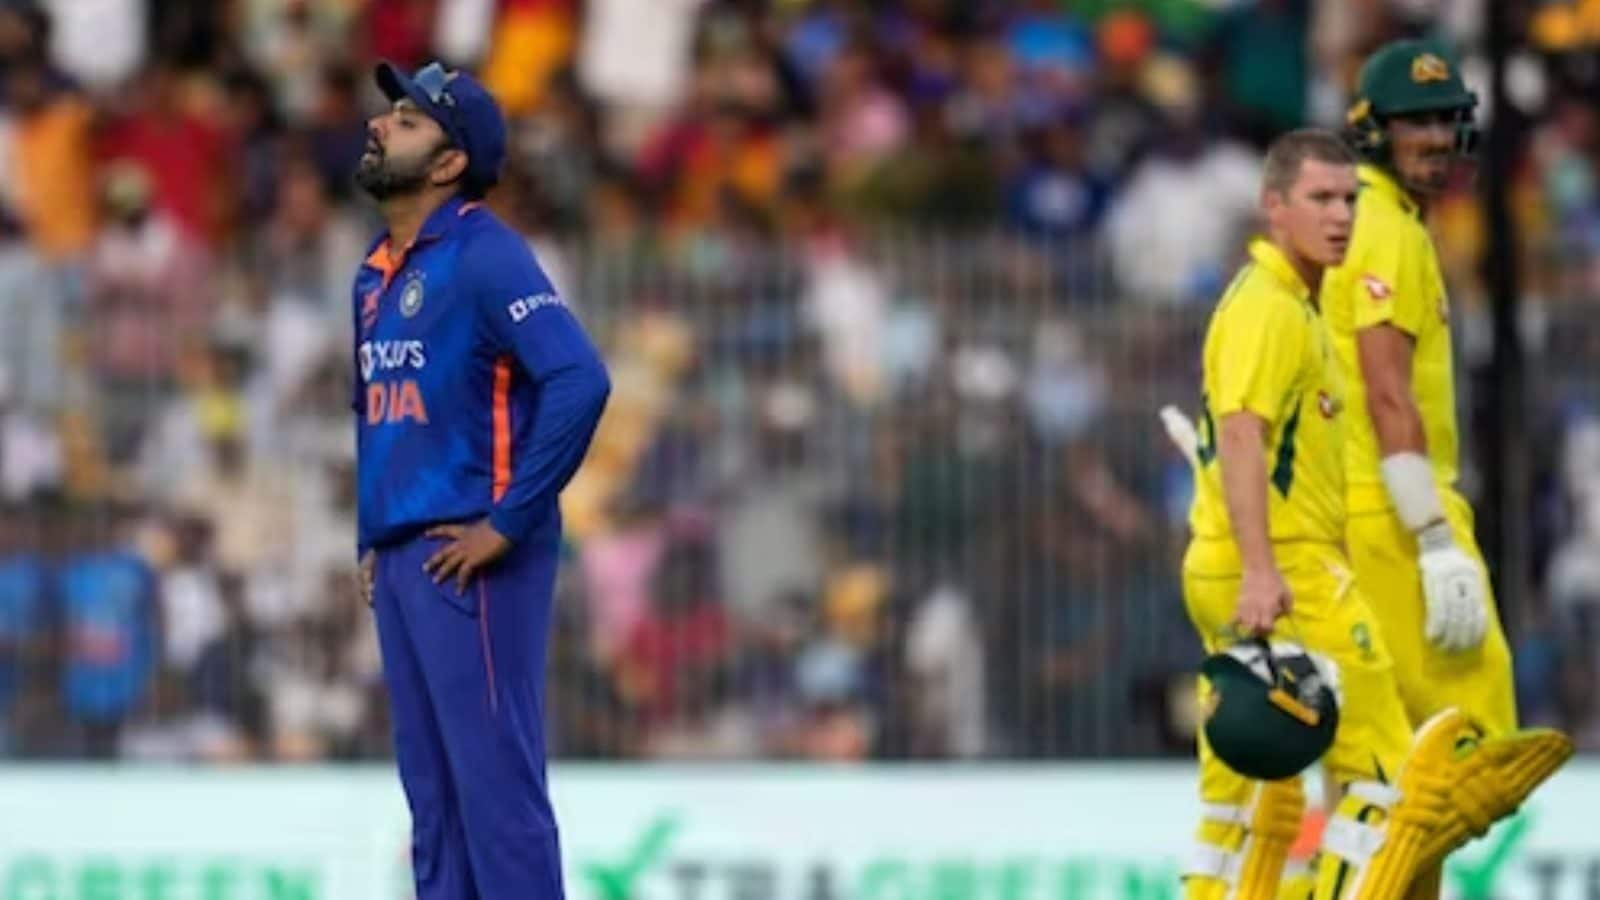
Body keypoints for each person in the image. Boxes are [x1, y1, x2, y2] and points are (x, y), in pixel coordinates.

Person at [1176, 129, 1569, 900]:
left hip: (1239, 560)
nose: (1340, 217)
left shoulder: (1290, 304)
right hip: (1288, 570)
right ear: (1273, 207)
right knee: (1384, 774)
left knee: (1247, 790)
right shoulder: (1272, 310)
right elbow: (1244, 435)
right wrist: (1262, 569)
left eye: (1349, 199)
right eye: (1320, 199)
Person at [350, 60, 611, 899]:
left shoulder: (486, 253)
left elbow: (579, 380)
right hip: (405, 557)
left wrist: (507, 521)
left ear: (450, 161)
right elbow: (378, 409)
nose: (380, 125)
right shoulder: (374, 272)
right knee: (434, 808)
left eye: (407, 121)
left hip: (472, 555)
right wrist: (370, 535)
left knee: (496, 796)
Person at [1321, 38, 1570, 896]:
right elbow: (1387, 392)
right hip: (1394, 517)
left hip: (1365, 512)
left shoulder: (1369, 219)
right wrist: (1431, 536)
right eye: (1412, 122)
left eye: (1442, 119)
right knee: (1480, 745)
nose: (1432, 138)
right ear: (1373, 130)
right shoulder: (1385, 228)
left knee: (1394, 758)